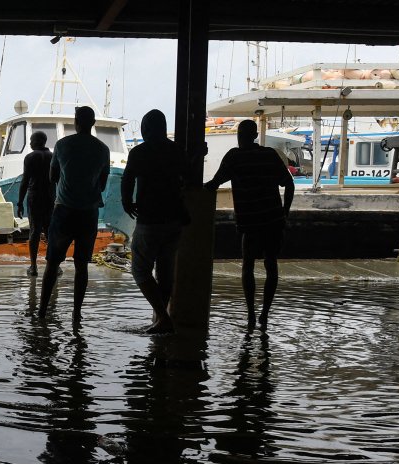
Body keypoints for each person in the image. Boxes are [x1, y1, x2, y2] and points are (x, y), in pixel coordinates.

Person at [204, 119, 295, 331]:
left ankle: (251, 315)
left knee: (248, 266)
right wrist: (285, 212)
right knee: (271, 265)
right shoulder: (269, 155)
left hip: (250, 223)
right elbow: (288, 183)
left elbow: (214, 184)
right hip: (273, 221)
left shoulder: (234, 157)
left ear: (243, 136)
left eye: (240, 133)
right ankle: (263, 314)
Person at [36, 106, 110, 324]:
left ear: (76, 122)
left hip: (64, 211)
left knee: (52, 263)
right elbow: (103, 182)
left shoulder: (62, 145)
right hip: (89, 213)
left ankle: (42, 311)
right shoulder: (102, 149)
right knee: (82, 266)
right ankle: (76, 313)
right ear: (93, 123)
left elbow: (52, 176)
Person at [121, 109, 188, 335]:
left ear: (145, 129)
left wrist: (126, 202)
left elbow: (128, 179)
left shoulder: (140, 152)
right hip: (175, 219)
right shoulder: (177, 150)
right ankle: (162, 318)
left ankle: (162, 317)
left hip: (149, 219)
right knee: (166, 270)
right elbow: (187, 176)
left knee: (140, 269)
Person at [17, 131, 54, 276]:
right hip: (51, 197)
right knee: (50, 232)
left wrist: (19, 202)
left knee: (35, 231)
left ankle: (33, 267)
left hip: (35, 197)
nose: (30, 143)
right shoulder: (53, 156)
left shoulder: (30, 157)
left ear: (38, 141)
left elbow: (25, 181)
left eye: (31, 140)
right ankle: (54, 266)